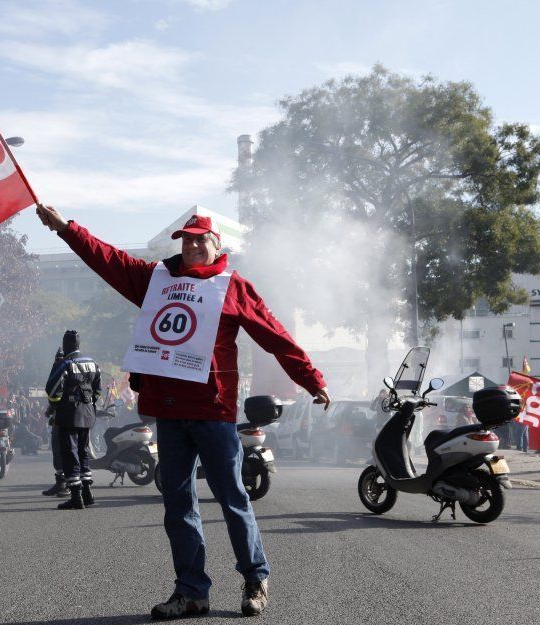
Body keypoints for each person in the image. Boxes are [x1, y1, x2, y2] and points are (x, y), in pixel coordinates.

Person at [36, 205, 331, 619]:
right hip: (170, 412)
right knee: (178, 505)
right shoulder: (155, 280)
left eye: (200, 239)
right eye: (186, 239)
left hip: (213, 411)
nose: (192, 245)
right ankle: (192, 591)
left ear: (216, 245)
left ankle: (255, 578)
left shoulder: (233, 287)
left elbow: (273, 334)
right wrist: (66, 229)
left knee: (232, 499)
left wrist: (311, 379)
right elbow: (107, 258)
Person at [46, 330, 102, 510]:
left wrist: (56, 406)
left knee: (70, 453)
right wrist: (89, 402)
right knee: (83, 451)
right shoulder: (92, 363)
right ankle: (88, 493)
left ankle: (76, 497)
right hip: (88, 413)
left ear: (65, 345)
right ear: (79, 345)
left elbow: (53, 390)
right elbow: (98, 390)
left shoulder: (66, 363)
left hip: (69, 414)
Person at [41, 349, 71, 498]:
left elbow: (54, 393)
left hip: (63, 416)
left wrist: (51, 409)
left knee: (60, 450)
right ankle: (62, 483)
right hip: (78, 416)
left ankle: (65, 485)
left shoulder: (63, 368)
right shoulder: (81, 366)